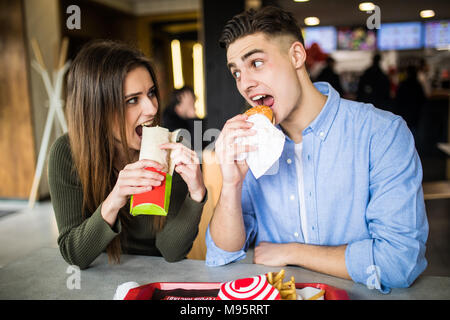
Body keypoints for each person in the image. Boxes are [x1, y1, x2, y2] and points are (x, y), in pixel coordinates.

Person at [205, 6, 428, 293]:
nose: (245, 83)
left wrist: (293, 252)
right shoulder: (253, 144)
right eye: (236, 72)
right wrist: (231, 185)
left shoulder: (382, 133)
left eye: (256, 63)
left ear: (296, 56)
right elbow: (222, 256)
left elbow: (399, 262)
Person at [48, 40, 207, 270]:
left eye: (151, 93)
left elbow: (171, 252)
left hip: (154, 278)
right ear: (97, 109)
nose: (152, 109)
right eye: (132, 100)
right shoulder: (66, 153)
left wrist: (196, 194)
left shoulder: (169, 149)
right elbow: (75, 254)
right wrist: (115, 199)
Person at [162, 86, 206, 151]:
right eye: (190, 103)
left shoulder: (191, 120)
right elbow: (197, 148)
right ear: (178, 106)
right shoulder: (170, 125)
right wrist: (193, 118)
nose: (194, 108)